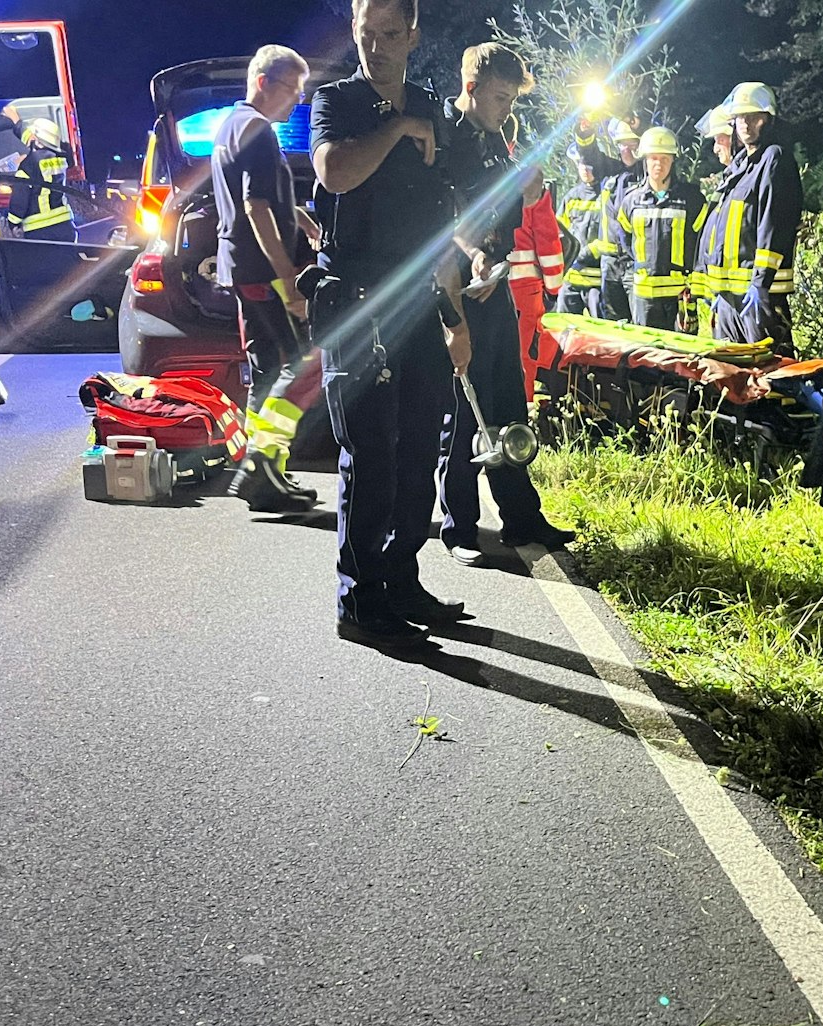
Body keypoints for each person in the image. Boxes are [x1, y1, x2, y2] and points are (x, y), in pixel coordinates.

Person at [308, 0, 471, 648]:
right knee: (371, 455)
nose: (376, 47)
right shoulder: (337, 102)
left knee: (418, 452)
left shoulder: (432, 107)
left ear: (413, 36)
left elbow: (441, 224)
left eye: (390, 34)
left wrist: (456, 318)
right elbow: (334, 172)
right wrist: (398, 127)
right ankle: (359, 598)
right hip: (357, 304)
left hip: (418, 303)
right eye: (365, 33)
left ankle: (400, 579)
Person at [435, 43, 575, 565]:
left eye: (513, 99)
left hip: (495, 288)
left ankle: (521, 518)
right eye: (500, 98)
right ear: (470, 88)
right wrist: (471, 259)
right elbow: (440, 219)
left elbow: (502, 214)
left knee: (509, 404)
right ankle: (460, 528)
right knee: (462, 414)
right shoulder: (443, 137)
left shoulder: (496, 138)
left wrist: (526, 188)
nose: (507, 109)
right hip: (455, 290)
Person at [212, 44, 323, 514]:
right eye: (293, 89)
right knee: (305, 368)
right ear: (264, 82)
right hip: (265, 272)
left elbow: (259, 198)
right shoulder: (258, 131)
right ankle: (260, 465)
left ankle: (264, 472)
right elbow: (255, 207)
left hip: (241, 268)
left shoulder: (232, 125)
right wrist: (288, 277)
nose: (298, 100)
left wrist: (298, 216)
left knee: (268, 372)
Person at [709, 82, 801, 354]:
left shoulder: (775, 159)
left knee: (769, 371)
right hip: (731, 298)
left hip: (760, 295)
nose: (746, 124)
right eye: (740, 117)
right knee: (730, 371)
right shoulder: (740, 167)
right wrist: (718, 291)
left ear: (769, 119)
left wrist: (760, 283)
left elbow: (774, 225)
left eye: (753, 117)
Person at [499, 113, 565, 399]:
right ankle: (520, 412)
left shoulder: (474, 173)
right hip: (524, 289)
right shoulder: (530, 181)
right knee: (522, 353)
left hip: (483, 283)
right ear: (513, 142)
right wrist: (554, 287)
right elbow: (548, 240)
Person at [614, 126, 705, 332]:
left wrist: (694, 286)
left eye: (665, 158)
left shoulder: (692, 199)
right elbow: (623, 244)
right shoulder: (631, 201)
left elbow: (702, 245)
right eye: (653, 158)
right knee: (646, 351)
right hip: (644, 299)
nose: (659, 164)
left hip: (679, 296)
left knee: (681, 350)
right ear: (645, 160)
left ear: (673, 161)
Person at [689, 104, 736, 336]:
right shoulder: (729, 181)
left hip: (736, 298)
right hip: (723, 297)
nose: (716, 148)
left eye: (720, 139)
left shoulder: (743, 181)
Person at [590, 117, 641, 322]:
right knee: (612, 321)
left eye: (632, 144)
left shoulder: (648, 176)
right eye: (622, 144)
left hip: (635, 262)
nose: (627, 150)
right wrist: (585, 131)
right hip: (610, 262)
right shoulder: (611, 172)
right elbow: (589, 156)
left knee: (639, 321)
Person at [554, 148, 605, 316]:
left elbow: (611, 236)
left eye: (588, 165)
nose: (584, 169)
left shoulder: (607, 197)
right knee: (563, 325)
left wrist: (587, 253)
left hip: (598, 281)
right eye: (580, 164)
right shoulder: (571, 197)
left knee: (599, 328)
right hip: (571, 277)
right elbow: (558, 232)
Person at [5, 118, 71, 238]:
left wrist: (13, 222)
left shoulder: (29, 164)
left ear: (37, 139)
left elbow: (20, 198)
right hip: (65, 225)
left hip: (40, 230)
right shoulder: (60, 160)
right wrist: (18, 123)